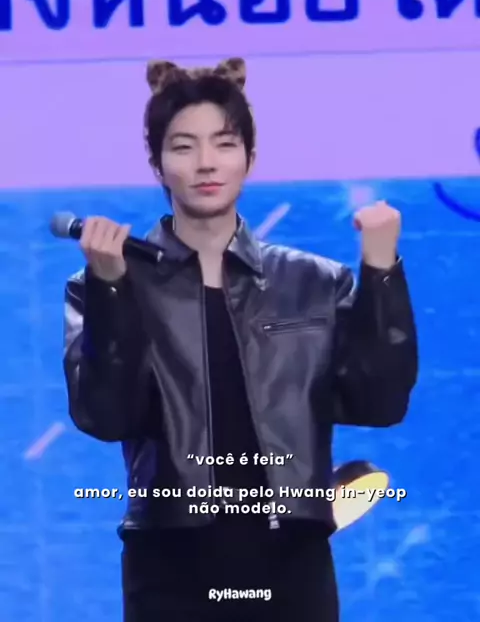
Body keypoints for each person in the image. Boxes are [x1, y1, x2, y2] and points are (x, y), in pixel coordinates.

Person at [63, 57, 418, 622]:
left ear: (249, 158)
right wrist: (110, 290)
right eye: (183, 147)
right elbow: (106, 416)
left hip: (291, 564)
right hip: (169, 565)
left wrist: (380, 271)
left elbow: (379, 404)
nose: (206, 163)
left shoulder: (315, 282)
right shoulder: (108, 284)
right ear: (157, 164)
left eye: (224, 144)